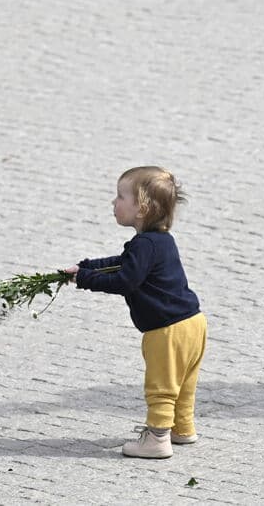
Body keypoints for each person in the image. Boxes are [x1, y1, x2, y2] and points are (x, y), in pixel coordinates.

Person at [64, 167, 206, 459]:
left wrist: (85, 279)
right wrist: (87, 266)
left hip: (167, 331)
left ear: (141, 209)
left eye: (120, 197)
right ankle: (182, 428)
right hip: (193, 322)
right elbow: (124, 262)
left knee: (161, 386)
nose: (113, 202)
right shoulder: (161, 240)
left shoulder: (145, 245)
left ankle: (157, 439)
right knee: (183, 383)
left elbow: (125, 280)